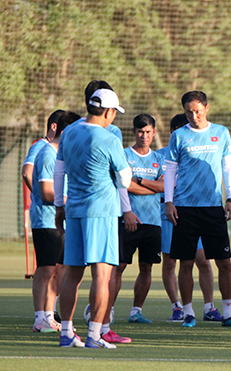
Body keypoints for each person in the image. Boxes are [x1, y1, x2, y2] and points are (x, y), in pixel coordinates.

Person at [54, 88, 135, 348]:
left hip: (74, 210)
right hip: (101, 211)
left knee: (73, 273)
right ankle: (94, 335)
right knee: (102, 275)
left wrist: (58, 206)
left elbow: (59, 171)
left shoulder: (69, 132)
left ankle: (66, 333)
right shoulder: (109, 137)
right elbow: (125, 179)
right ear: (109, 111)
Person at [164, 91, 231, 328]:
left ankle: (229, 314)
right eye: (189, 111)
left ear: (207, 108)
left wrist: (230, 198)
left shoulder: (221, 132)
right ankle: (188, 313)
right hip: (184, 209)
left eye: (198, 110)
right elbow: (170, 170)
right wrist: (169, 201)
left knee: (224, 262)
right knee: (186, 262)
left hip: (213, 208)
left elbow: (228, 166)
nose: (194, 115)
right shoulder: (179, 135)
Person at [158, 114, 217, 322]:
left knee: (202, 260)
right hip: (169, 216)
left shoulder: (199, 152)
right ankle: (177, 306)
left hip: (194, 212)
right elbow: (159, 183)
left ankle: (210, 307)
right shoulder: (161, 156)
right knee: (170, 261)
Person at [111, 114, 165, 325]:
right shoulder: (123, 156)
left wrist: (140, 180)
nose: (144, 136)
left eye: (148, 132)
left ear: (154, 132)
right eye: (140, 132)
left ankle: (136, 311)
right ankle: (109, 309)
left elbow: (165, 187)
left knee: (147, 267)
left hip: (153, 221)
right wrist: (128, 210)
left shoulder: (160, 158)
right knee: (119, 266)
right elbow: (123, 185)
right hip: (129, 219)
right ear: (134, 132)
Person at [30, 110, 80, 333]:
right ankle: (39, 317)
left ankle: (49, 315)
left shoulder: (64, 155)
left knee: (60, 269)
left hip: (63, 221)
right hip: (46, 221)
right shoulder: (47, 153)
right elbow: (47, 192)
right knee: (46, 269)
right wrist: (76, 202)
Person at [22, 110, 63, 192]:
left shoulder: (55, 149)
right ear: (54, 127)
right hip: (44, 204)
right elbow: (27, 173)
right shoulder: (40, 146)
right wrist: (39, 195)